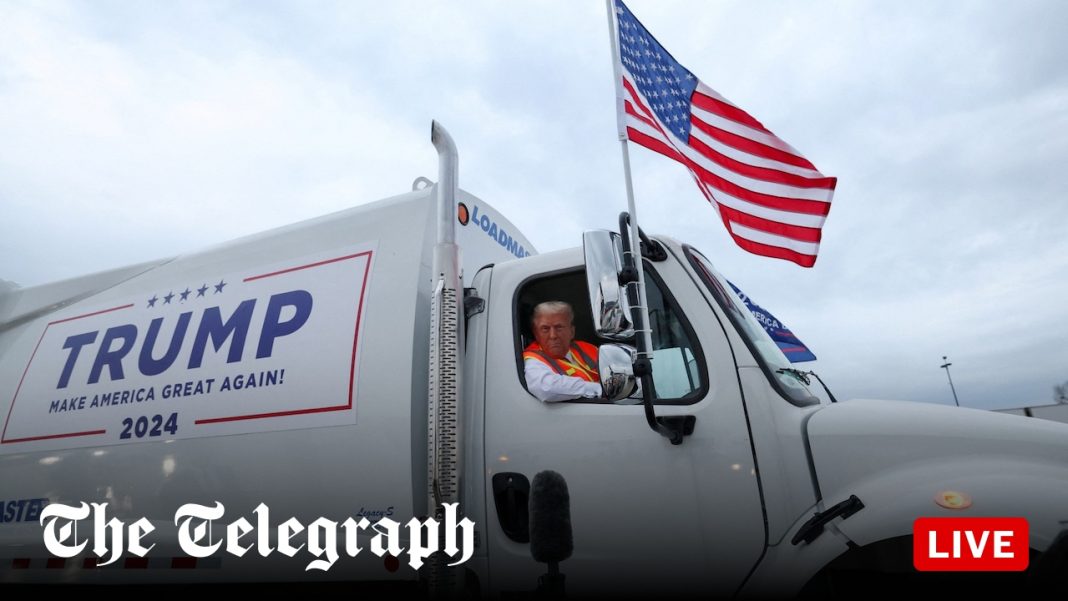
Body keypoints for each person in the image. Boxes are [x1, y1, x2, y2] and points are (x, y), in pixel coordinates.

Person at [523, 301, 602, 402]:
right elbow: (546, 388)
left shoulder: (588, 348)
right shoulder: (532, 359)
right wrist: (598, 389)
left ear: (572, 331)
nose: (553, 336)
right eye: (545, 329)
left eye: (559, 327)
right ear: (536, 334)